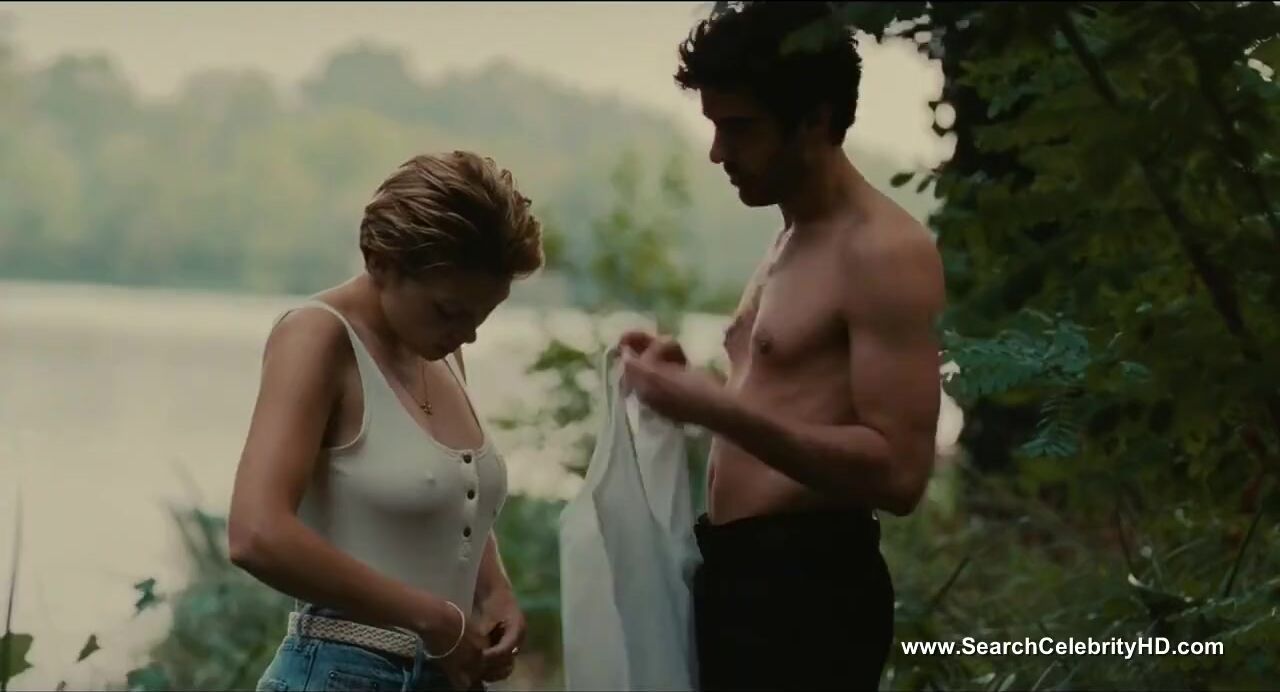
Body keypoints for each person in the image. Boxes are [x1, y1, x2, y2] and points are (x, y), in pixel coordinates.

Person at [619, 3, 946, 690]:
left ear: (816, 121)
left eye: (740, 128)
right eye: (714, 126)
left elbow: (899, 473)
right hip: (738, 575)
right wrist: (684, 383)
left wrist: (715, 409)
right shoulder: (790, 236)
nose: (718, 153)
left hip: (809, 590)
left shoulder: (882, 250)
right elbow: (789, 398)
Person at [228, 151, 544, 691]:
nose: (468, 335)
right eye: (450, 311)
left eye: (481, 316)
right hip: (342, 674)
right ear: (381, 262)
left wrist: (494, 592)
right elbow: (256, 534)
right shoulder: (317, 337)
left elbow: (449, 495)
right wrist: (432, 618)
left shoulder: (439, 347)